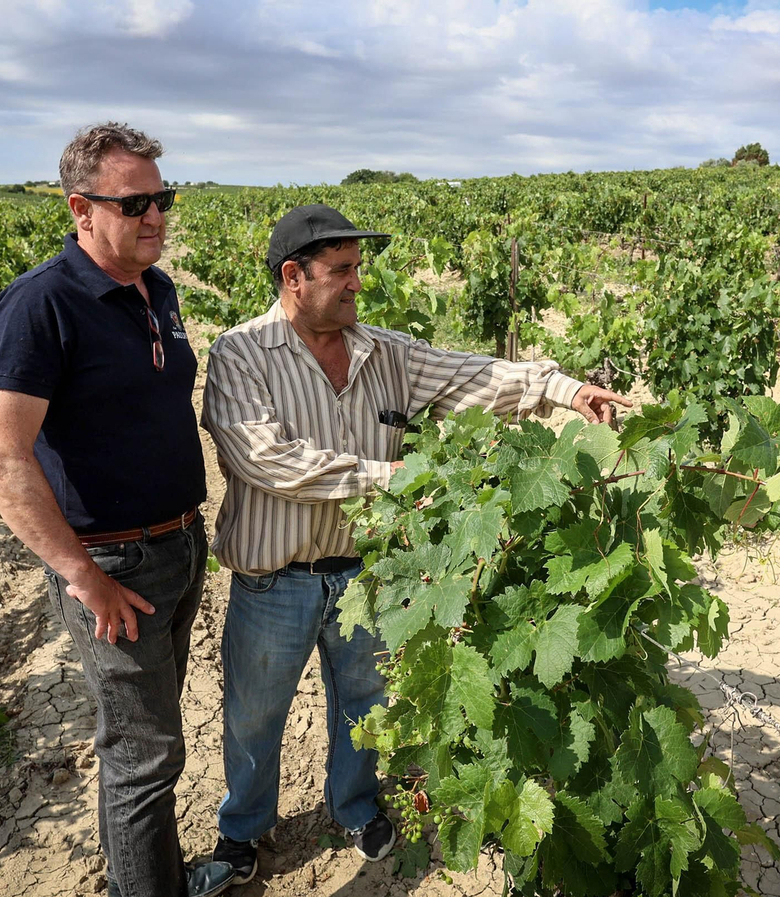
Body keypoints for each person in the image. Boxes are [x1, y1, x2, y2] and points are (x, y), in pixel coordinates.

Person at [201, 204, 631, 881]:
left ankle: (354, 805)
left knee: (366, 705)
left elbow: (474, 376)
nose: (356, 284)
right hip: (272, 579)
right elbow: (268, 460)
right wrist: (391, 478)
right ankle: (243, 832)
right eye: (340, 271)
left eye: (358, 269)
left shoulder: (386, 353)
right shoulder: (240, 354)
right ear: (293, 275)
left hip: (368, 576)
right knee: (254, 717)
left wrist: (563, 388)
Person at [0, 122, 235, 897]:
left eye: (163, 198)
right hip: (115, 566)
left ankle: (154, 877)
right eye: (136, 203)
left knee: (153, 738)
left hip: (178, 548)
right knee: (143, 755)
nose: (156, 215)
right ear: (81, 209)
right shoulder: (40, 304)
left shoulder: (155, 287)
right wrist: (82, 576)